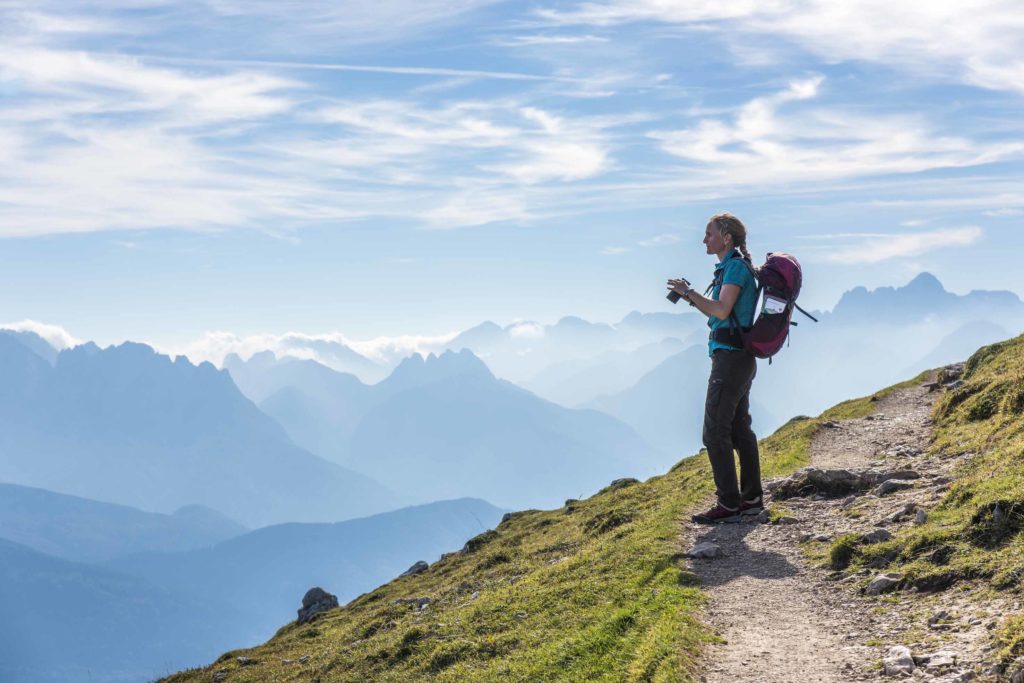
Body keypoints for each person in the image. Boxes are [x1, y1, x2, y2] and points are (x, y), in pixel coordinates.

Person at [667, 213, 764, 524]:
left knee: (714, 432)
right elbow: (722, 310)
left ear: (726, 237)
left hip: (731, 358)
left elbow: (721, 310)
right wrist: (691, 295)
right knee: (738, 429)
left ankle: (729, 504)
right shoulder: (733, 266)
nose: (704, 240)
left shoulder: (734, 268)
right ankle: (751, 498)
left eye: (709, 234)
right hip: (739, 357)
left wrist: (688, 293)